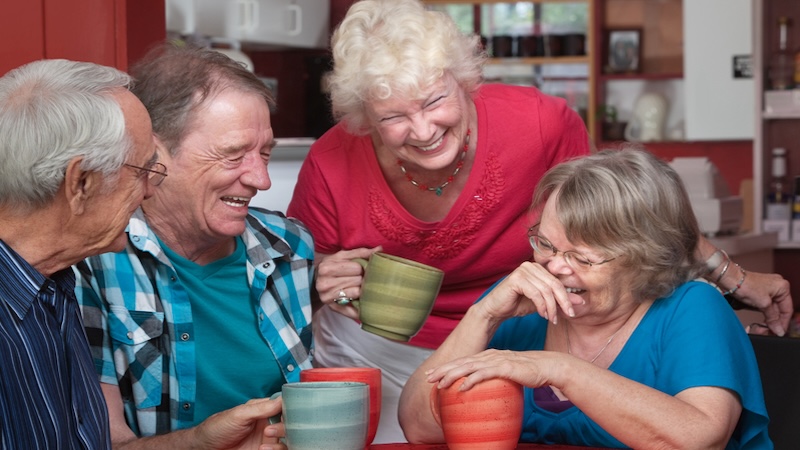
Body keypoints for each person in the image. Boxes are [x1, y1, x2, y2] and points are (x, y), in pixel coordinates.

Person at [287, 0, 791, 443]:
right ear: (364, 117)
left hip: (540, 319)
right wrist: (317, 279)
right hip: (424, 337)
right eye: (392, 117)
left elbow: (622, 211)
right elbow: (289, 282)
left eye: (434, 101)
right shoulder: (513, 317)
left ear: (463, 81)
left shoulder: (538, 125)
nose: (421, 129)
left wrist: (730, 276)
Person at [399, 148, 771, 449]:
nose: (556, 267)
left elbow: (699, 440)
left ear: (646, 259)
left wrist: (559, 368)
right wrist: (482, 315)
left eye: (582, 257)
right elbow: (419, 426)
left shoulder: (691, 309)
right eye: (545, 244)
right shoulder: (518, 304)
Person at [74, 43, 311, 449]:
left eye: (265, 153)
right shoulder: (92, 264)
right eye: (234, 155)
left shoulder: (288, 246)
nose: (262, 180)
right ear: (153, 153)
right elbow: (101, 444)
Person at [0, 59, 155, 449]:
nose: (149, 191)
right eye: (141, 171)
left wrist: (201, 442)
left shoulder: (54, 283)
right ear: (80, 182)